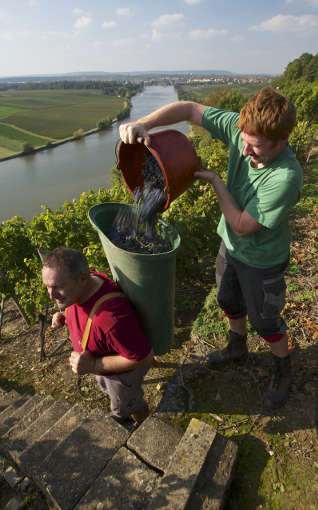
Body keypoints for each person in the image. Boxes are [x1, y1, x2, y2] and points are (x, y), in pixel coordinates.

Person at [119, 86, 303, 409]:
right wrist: (144, 124)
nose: (245, 152)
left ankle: (282, 368)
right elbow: (189, 109)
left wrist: (217, 182)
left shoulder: (286, 177)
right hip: (229, 245)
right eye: (243, 142)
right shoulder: (243, 128)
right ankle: (237, 347)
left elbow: (243, 226)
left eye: (255, 148)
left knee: (265, 319)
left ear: (282, 140)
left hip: (262, 259)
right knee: (227, 298)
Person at [42, 246, 153, 426]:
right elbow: (85, 311)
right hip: (102, 365)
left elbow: (145, 356)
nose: (51, 295)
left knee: (126, 405)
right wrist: (65, 316)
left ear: (83, 278)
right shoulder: (83, 284)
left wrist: (93, 365)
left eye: (57, 287)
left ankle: (142, 423)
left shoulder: (111, 319)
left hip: (120, 378)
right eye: (47, 287)